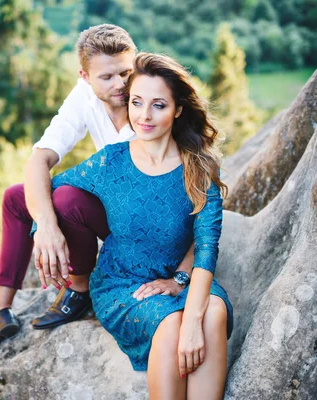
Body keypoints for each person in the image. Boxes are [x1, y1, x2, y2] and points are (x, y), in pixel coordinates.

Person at [0, 25, 195, 359]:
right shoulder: (84, 97)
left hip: (148, 228)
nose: (120, 85)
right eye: (106, 77)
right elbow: (41, 157)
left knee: (67, 201)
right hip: (116, 205)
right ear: (85, 76)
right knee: (15, 198)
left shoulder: (150, 106)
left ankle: (80, 289)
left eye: (126, 72)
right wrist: (46, 228)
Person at [34, 52, 234, 399]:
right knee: (171, 324)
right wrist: (46, 231)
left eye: (158, 105)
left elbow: (206, 248)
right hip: (123, 283)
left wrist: (180, 287)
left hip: (180, 277)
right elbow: (51, 189)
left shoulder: (199, 169)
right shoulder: (111, 161)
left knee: (212, 312)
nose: (144, 115)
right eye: (137, 102)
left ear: (178, 110)